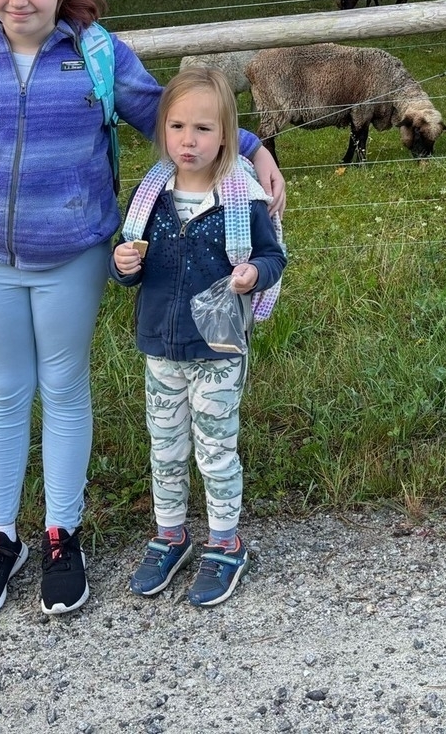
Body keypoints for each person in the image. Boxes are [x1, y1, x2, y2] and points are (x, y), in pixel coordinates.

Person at [0, 0, 285, 620]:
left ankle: (64, 533)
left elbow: (167, 114)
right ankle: (1, 539)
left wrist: (249, 145)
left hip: (75, 257)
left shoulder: (96, 55)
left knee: (62, 387)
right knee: (5, 392)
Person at [111, 66, 284, 607]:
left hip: (217, 351)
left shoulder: (242, 197)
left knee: (214, 448)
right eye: (178, 126)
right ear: (163, 129)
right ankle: (170, 534)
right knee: (164, 447)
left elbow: (272, 255)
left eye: (204, 129)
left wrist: (254, 274)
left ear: (227, 138)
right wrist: (122, 265)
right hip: (160, 347)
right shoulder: (151, 196)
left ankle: (225, 542)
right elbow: (130, 265)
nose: (189, 140)